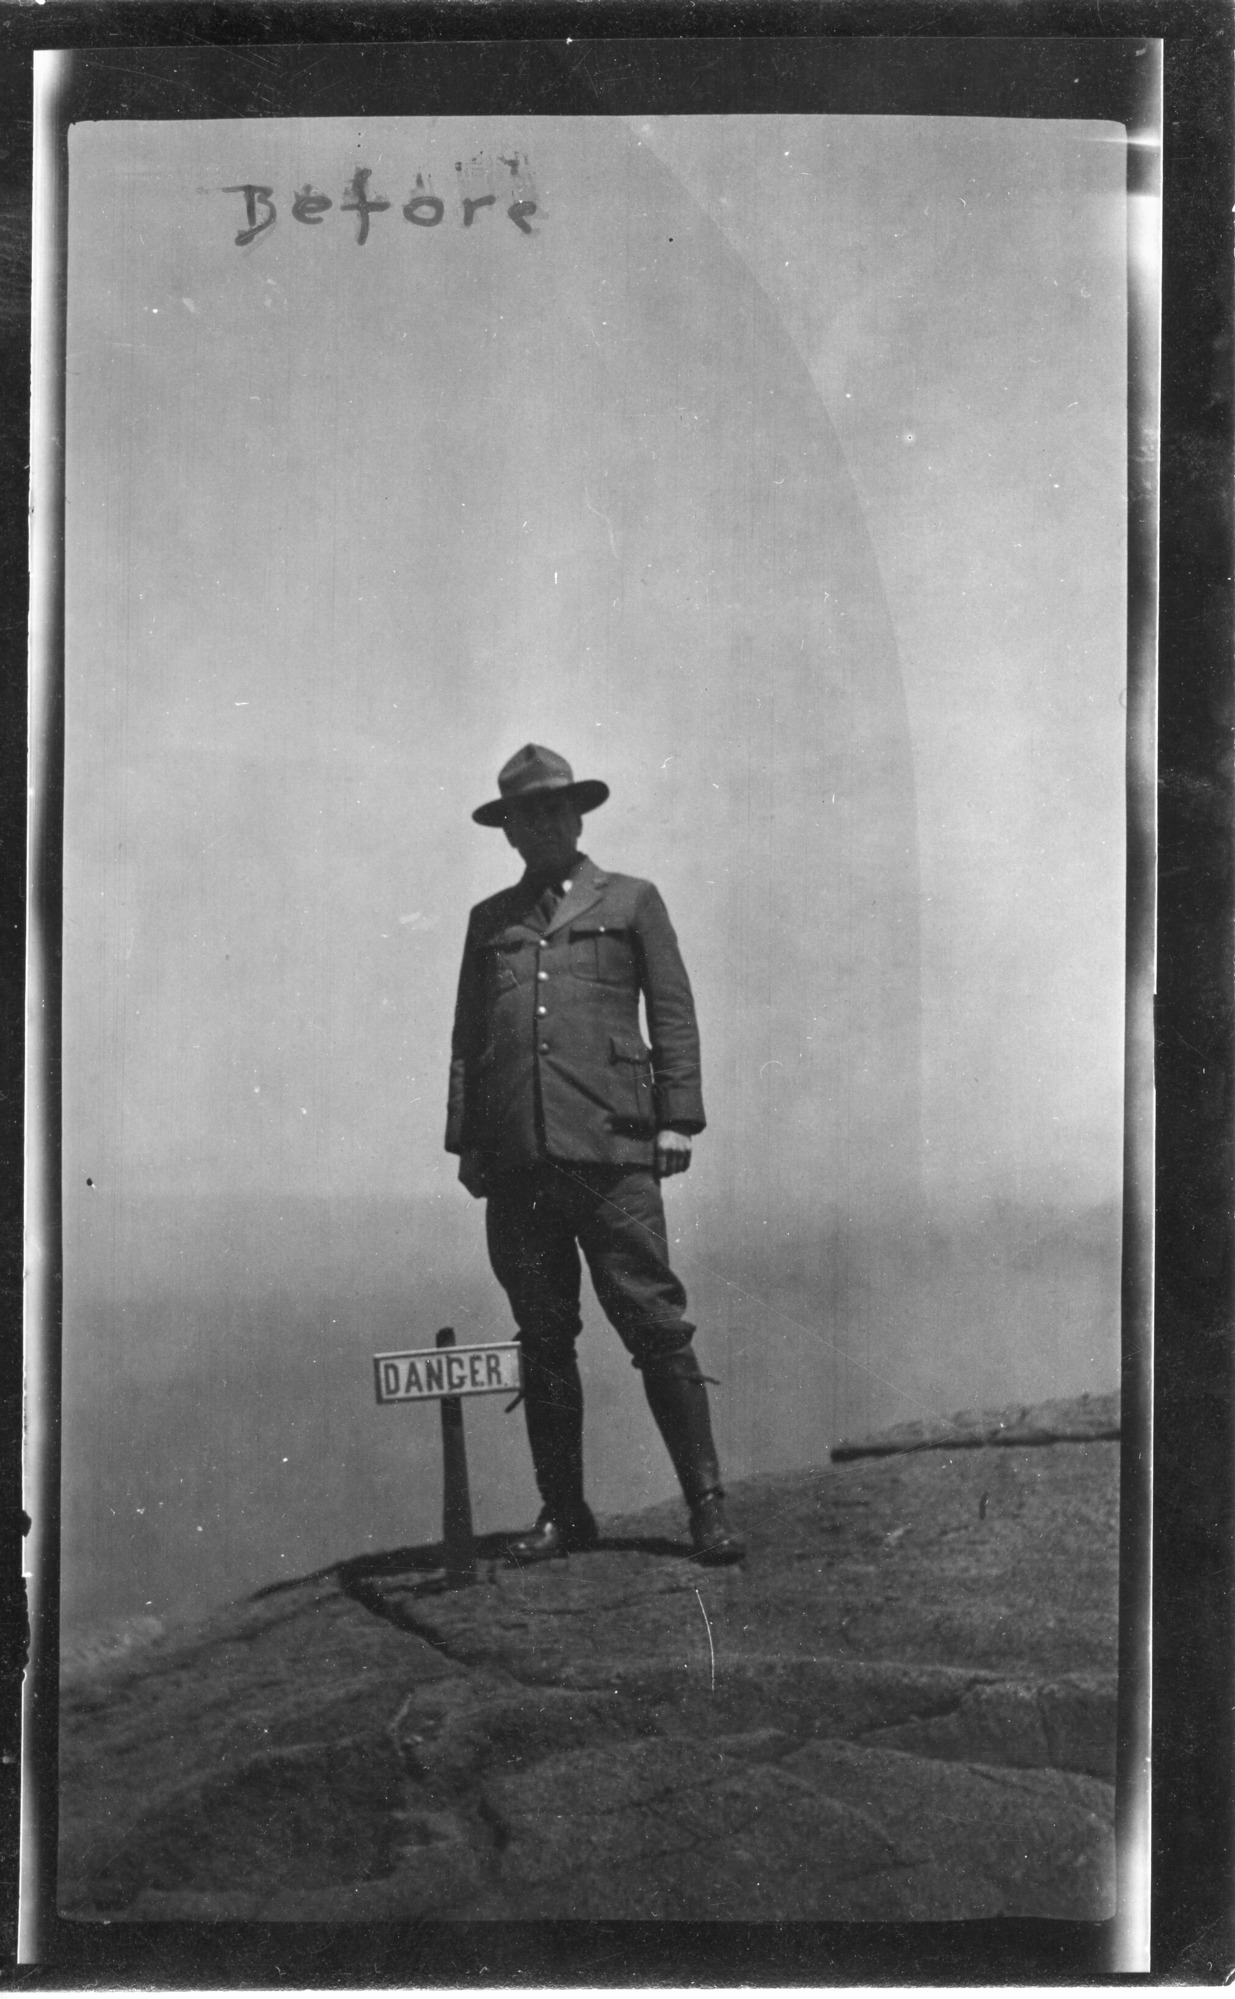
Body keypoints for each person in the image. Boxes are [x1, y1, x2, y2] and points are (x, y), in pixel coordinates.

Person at [446, 743, 746, 1566]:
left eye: (555, 809)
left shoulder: (633, 900)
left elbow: (672, 1012)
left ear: (577, 818)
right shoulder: (489, 921)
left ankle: (707, 1507)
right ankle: (564, 1512)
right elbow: (469, 1040)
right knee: (541, 1336)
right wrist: (467, 1141)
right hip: (519, 1160)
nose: (542, 825)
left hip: (614, 1150)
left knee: (654, 1324)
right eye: (526, 815)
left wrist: (677, 1119)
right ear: (509, 832)